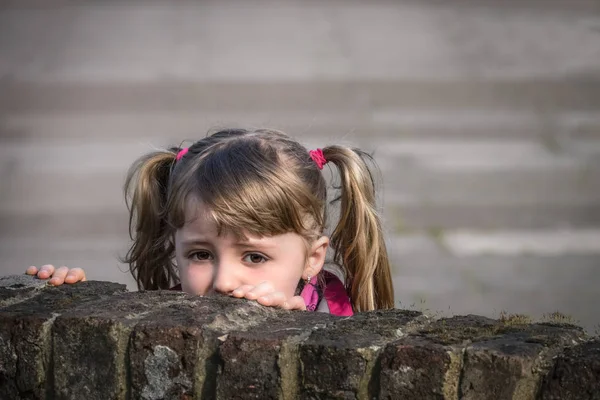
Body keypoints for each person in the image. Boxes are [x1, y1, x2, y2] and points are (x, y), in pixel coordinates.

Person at [26, 128, 394, 315]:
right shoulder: (164, 314)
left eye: (254, 257)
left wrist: (298, 333)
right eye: (200, 255)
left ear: (313, 259)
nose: (223, 282)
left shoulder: (336, 314)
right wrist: (79, 303)